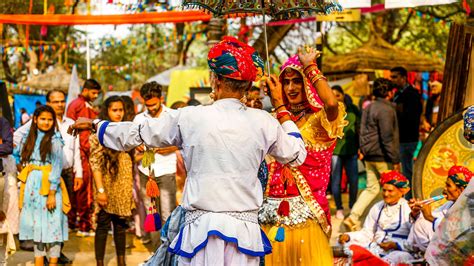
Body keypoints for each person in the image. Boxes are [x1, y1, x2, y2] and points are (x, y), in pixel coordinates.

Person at [69, 36, 307, 265]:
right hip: (243, 235)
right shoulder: (263, 121)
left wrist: (96, 124)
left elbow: (138, 132)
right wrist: (281, 107)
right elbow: (296, 154)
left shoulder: (191, 117)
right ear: (246, 85)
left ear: (215, 80)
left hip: (200, 233)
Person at [259, 51, 346, 266]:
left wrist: (310, 67)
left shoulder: (320, 121)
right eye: (286, 82)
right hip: (271, 212)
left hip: (308, 214)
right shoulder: (274, 118)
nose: (291, 88)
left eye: (297, 81)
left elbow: (332, 105)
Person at [14, 90, 83, 264]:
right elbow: (16, 154)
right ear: (35, 120)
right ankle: (39, 262)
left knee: (53, 227)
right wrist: (23, 171)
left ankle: (53, 262)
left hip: (50, 186)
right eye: (42, 119)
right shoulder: (28, 139)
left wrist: (52, 193)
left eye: (49, 119)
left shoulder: (55, 140)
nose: (46, 122)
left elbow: (57, 166)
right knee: (37, 227)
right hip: (32, 187)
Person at [344, 78, 401, 231]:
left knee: (372, 189)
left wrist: (362, 149)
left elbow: (361, 131)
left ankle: (353, 217)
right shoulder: (386, 109)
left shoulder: (368, 107)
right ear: (390, 93)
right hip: (383, 156)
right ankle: (393, 224)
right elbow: (387, 137)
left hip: (369, 155)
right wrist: (395, 159)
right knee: (395, 189)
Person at [386, 165, 473, 264]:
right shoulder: (449, 205)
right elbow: (426, 222)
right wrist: (416, 213)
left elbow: (455, 233)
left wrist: (430, 218)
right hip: (430, 254)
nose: (444, 189)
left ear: (461, 190)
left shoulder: (469, 210)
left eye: (448, 186)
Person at [89, 96, 134, 266]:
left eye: (120, 110)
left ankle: (121, 262)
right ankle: (100, 263)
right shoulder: (99, 134)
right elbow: (94, 164)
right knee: (102, 225)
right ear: (106, 111)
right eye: (114, 110)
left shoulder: (127, 131)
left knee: (120, 225)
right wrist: (100, 191)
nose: (118, 113)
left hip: (123, 185)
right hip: (105, 184)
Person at [133, 81, 178, 247]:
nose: (151, 108)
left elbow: (182, 141)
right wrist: (136, 144)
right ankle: (157, 252)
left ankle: (170, 251)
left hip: (166, 170)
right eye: (148, 105)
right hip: (146, 171)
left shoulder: (173, 116)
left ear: (161, 98)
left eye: (154, 104)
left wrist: (170, 148)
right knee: (151, 212)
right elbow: (132, 141)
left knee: (168, 213)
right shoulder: (139, 118)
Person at [338, 171, 412, 264]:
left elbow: (416, 241)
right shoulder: (377, 207)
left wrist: (396, 245)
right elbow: (367, 233)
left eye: (390, 191)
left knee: (398, 257)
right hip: (376, 249)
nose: (385, 194)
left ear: (401, 192)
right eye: (384, 190)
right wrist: (349, 236)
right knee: (347, 247)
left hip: (399, 251)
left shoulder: (408, 209)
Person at [66, 79, 101, 236]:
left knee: (83, 189)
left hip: (86, 152)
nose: (95, 96)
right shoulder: (78, 105)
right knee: (82, 190)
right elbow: (76, 130)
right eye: (93, 93)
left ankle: (75, 222)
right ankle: (83, 225)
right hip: (81, 153)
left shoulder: (86, 104)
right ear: (85, 90)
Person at [390, 67, 422, 199]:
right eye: (391, 77)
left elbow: (412, 116)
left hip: (409, 139)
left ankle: (411, 199)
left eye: (395, 77)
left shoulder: (412, 94)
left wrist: (397, 110)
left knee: (409, 172)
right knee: (405, 171)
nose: (392, 79)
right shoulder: (397, 94)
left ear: (403, 78)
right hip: (400, 139)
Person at [330, 85, 360, 220]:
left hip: (352, 150)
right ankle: (339, 208)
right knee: (335, 181)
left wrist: (361, 147)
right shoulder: (329, 110)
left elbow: (360, 129)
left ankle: (353, 205)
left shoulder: (353, 110)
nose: (336, 98)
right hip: (335, 151)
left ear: (343, 95)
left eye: (338, 95)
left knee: (353, 181)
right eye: (333, 95)